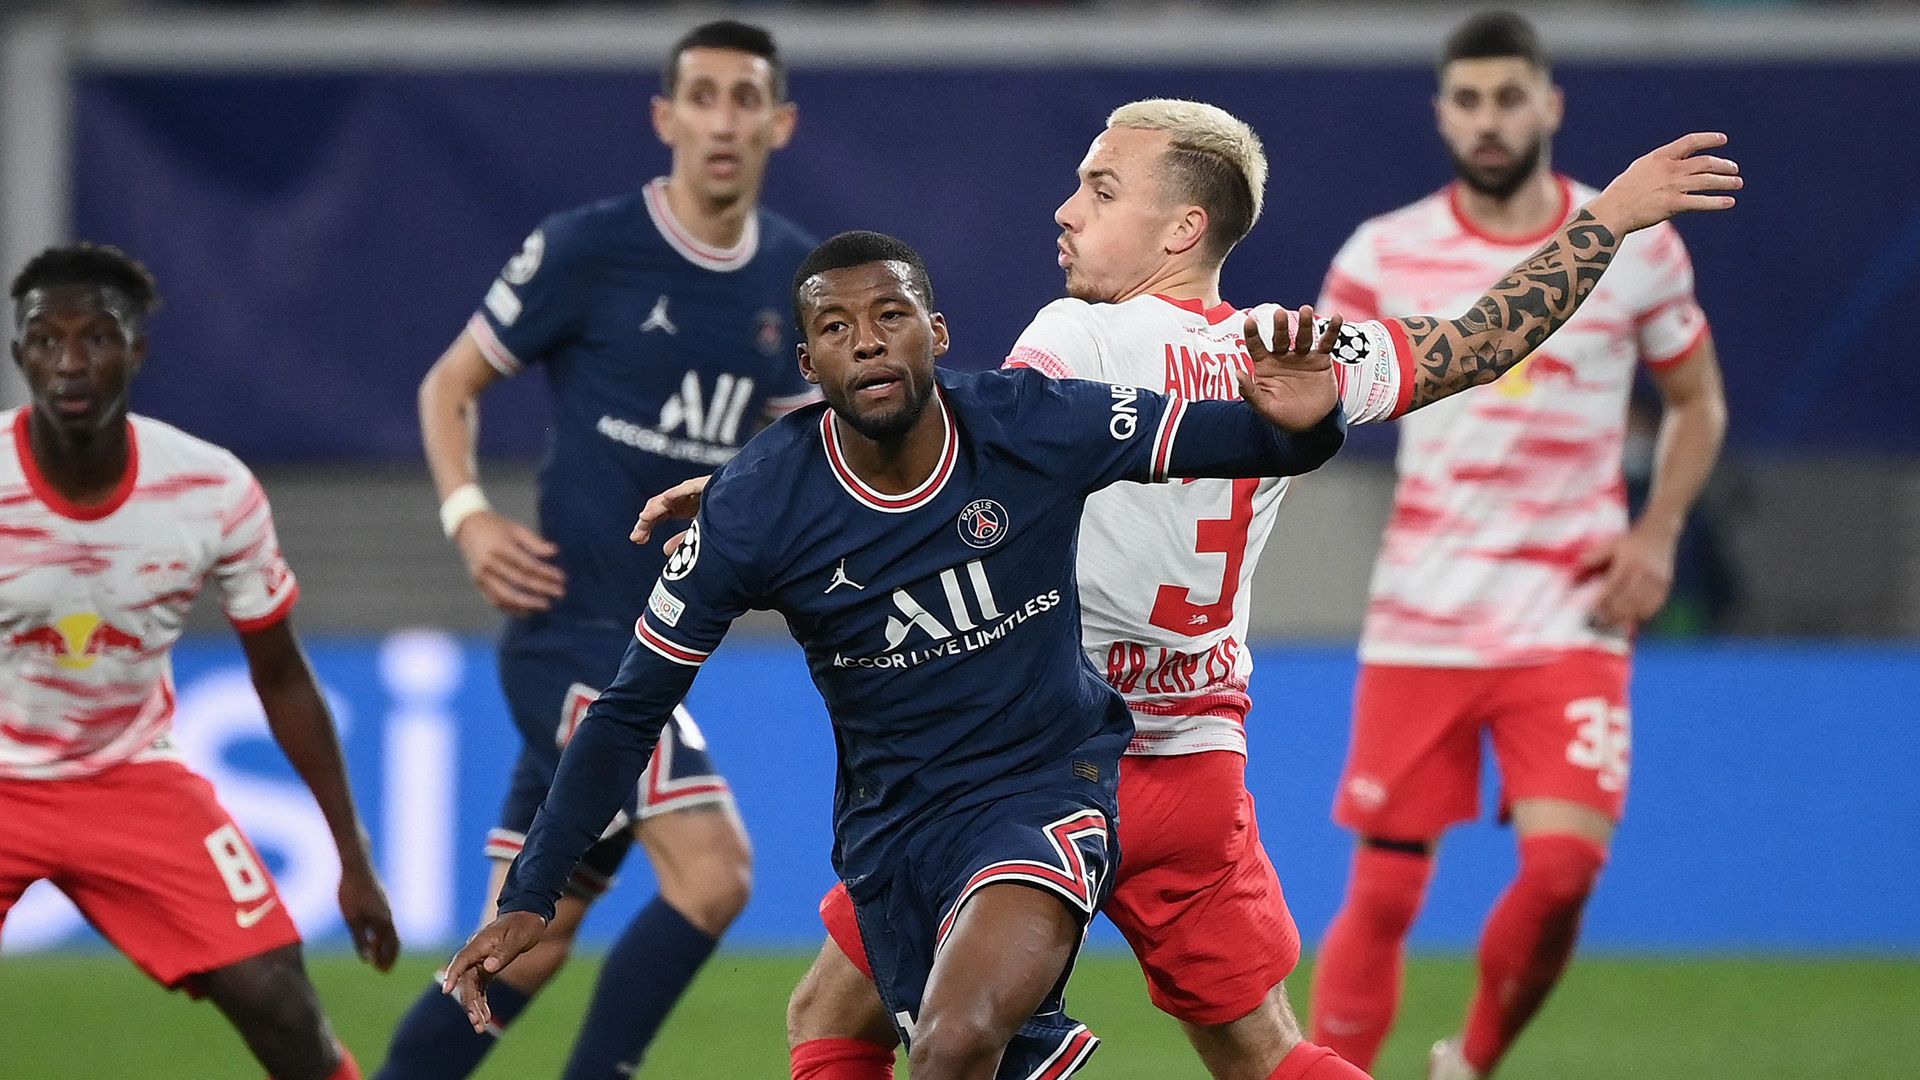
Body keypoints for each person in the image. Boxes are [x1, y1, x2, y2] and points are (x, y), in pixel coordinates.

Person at [636, 101, 1739, 1080]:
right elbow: (1482, 335)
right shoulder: (1298, 350)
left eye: (1100, 189)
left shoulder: (1082, 337)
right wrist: (1609, 219)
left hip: (1032, 767)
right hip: (1198, 769)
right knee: (1265, 1052)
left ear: (1181, 229)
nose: (1066, 210)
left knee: (834, 1015)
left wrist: (752, 495)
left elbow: (939, 437)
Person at [444, 229, 1360, 1080]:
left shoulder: (1026, 425)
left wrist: (1308, 420)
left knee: (956, 1041)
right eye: (837, 328)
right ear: (808, 366)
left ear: (937, 331)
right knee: (831, 1023)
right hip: (895, 831)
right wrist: (532, 889)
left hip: (1044, 789)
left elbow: (1250, 438)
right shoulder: (755, 507)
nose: (869, 342)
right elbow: (629, 708)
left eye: (892, 315)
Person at [378, 19, 818, 1080]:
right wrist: (468, 515)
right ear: (665, 118)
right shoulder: (588, 248)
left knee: (521, 945)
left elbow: (811, 468)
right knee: (715, 875)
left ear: (780, 123)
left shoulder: (799, 280)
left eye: (744, 97)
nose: (723, 118)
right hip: (571, 637)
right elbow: (450, 386)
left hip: (657, 649)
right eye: (702, 96)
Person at [1306, 13, 1732, 1080]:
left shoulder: (1640, 243)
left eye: (1509, 97)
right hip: (1424, 612)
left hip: (1568, 614)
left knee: (1559, 875)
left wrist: (1659, 531)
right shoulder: (1380, 254)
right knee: (1387, 887)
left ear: (1551, 105)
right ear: (1442, 112)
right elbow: (1311, 409)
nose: (1488, 120)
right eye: (1467, 99)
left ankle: (1471, 1061)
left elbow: (1698, 402)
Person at [0, 243, 398, 1080]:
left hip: (128, 778)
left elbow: (282, 676)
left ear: (137, 350)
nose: (70, 363)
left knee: (281, 1001)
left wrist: (352, 860)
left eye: (97, 338)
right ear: (18, 353)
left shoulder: (211, 490)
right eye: (46, 339)